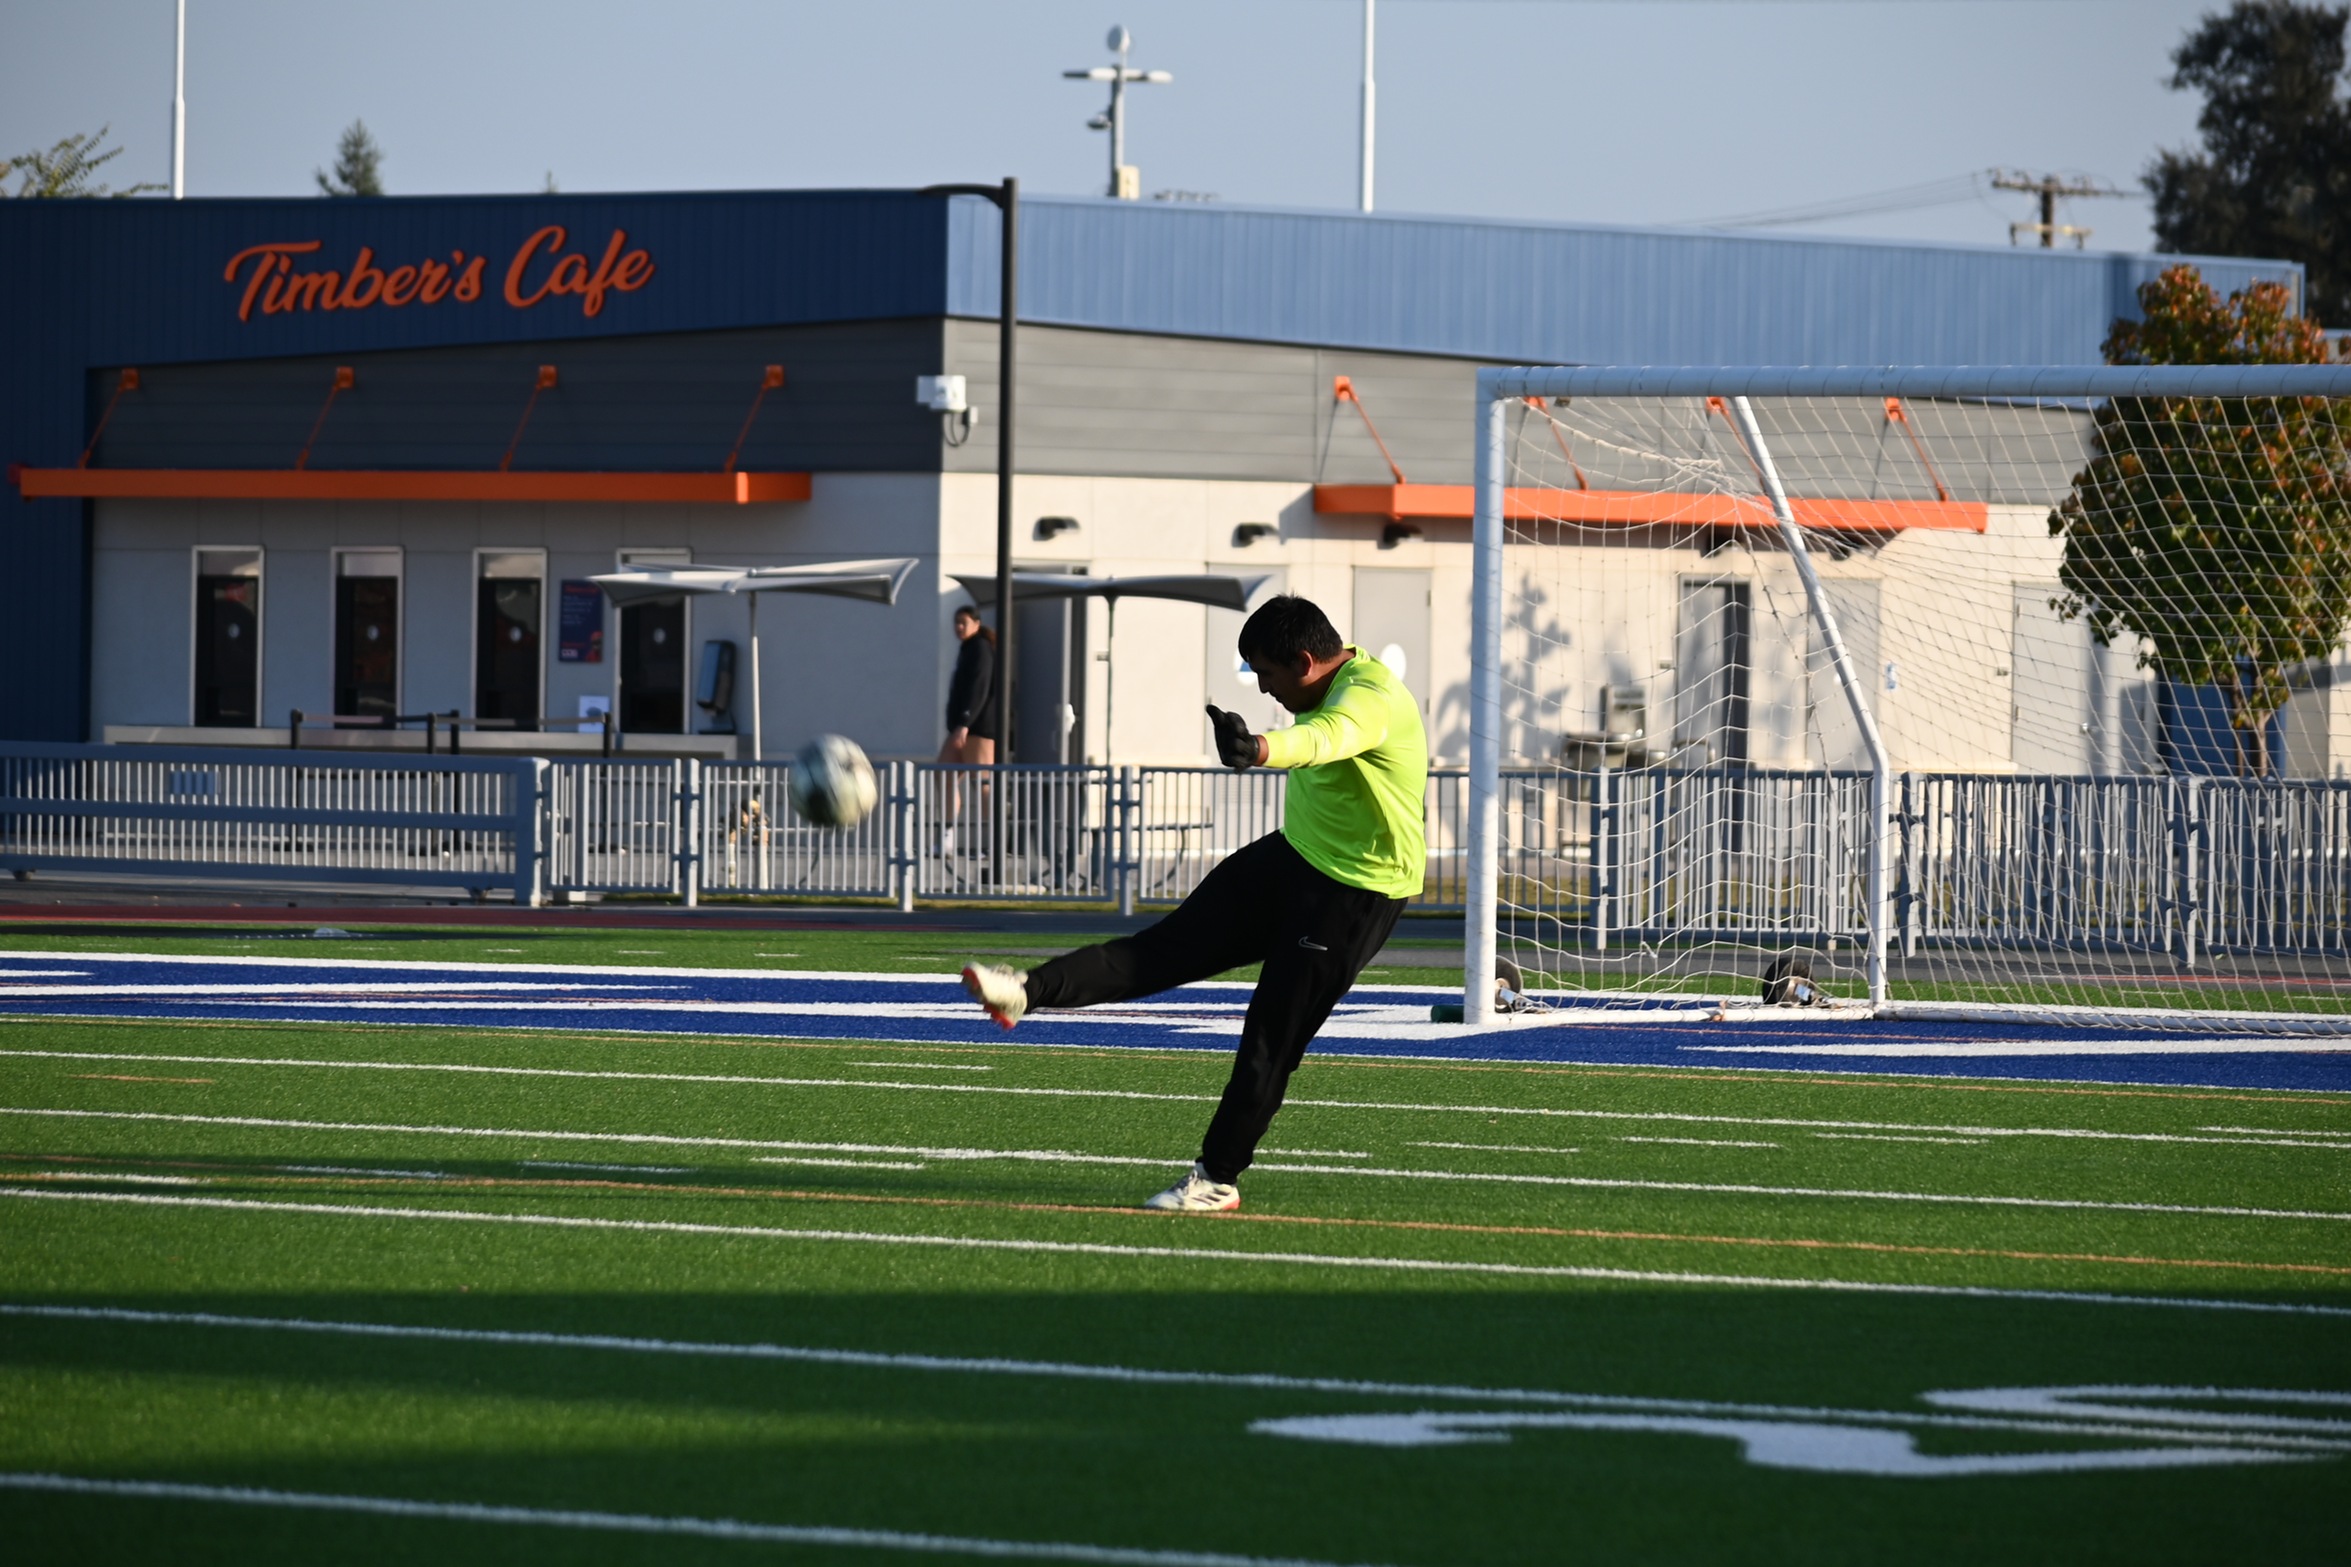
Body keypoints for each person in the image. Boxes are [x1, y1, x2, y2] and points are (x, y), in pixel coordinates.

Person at [960, 595, 1427, 1212]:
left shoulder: (1371, 698)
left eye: (1266, 673)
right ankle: (1027, 991)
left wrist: (1259, 749)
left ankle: (1217, 1179)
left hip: (1356, 894)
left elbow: (1325, 739)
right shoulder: (1325, 683)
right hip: (1292, 858)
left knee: (1270, 1038)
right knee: (1160, 950)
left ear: (1307, 662)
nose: (1264, 688)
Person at [937, 604, 999, 855]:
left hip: (978, 728)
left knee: (982, 782)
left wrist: (964, 722)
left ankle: (993, 842)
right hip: (961, 728)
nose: (959, 627)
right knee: (943, 775)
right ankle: (947, 837)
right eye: (956, 622)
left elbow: (979, 688)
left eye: (963, 622)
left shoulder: (981, 649)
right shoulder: (966, 650)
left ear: (976, 623)